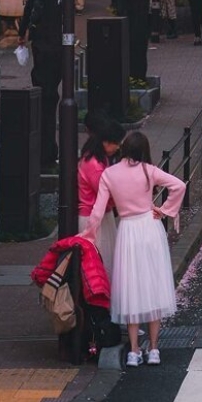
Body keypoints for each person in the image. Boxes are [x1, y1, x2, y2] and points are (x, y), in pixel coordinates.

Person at [85, 131, 186, 367]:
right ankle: (153, 349)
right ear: (144, 150)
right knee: (152, 286)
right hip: (150, 229)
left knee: (131, 287)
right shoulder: (148, 171)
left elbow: (98, 210)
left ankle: (133, 351)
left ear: (123, 149)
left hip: (128, 231)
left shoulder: (109, 174)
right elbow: (178, 185)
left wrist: (88, 234)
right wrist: (166, 210)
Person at [17, 0, 62, 170]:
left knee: (42, 81)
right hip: (57, 46)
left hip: (41, 45)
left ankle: (45, 151)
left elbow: (27, 16)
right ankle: (50, 150)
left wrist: (22, 36)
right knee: (51, 92)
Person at [77, 117, 125, 273]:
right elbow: (106, 193)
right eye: (116, 143)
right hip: (95, 219)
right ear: (106, 142)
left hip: (101, 216)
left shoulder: (96, 158)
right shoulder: (95, 165)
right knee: (102, 266)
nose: (118, 147)